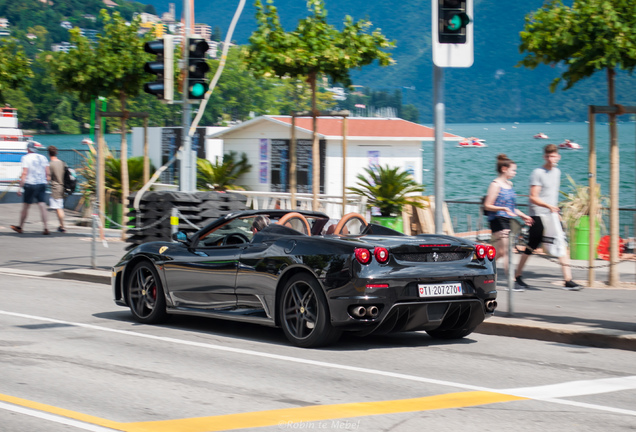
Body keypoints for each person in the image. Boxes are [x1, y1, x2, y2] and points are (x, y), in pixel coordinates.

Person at [514, 144, 582, 291]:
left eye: (554, 156)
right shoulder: (538, 173)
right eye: (548, 156)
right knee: (532, 245)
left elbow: (552, 196)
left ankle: (568, 280)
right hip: (537, 214)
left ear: (558, 157)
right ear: (544, 157)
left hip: (551, 214)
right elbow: (533, 197)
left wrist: (555, 211)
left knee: (562, 243)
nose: (551, 159)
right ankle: (517, 276)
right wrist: (549, 207)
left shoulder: (557, 172)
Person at [483, 154, 533, 290]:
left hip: (507, 218)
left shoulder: (509, 184)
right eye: (513, 170)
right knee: (507, 251)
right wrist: (503, 208)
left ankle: (482, 267)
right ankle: (511, 281)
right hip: (497, 219)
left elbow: (512, 207)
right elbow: (488, 205)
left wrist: (523, 216)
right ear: (504, 169)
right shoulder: (495, 185)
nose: (515, 173)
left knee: (500, 252)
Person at [11, 141, 51, 235]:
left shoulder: (25, 158)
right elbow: (48, 173)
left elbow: (24, 173)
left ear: (28, 149)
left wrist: (20, 187)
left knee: (26, 206)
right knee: (42, 206)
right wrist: (46, 182)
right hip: (41, 184)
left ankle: (20, 227)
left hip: (30, 184)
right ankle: (46, 228)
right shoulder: (43, 157)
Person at [47, 146, 66, 233]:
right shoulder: (62, 163)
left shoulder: (51, 164)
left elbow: (48, 177)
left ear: (48, 153)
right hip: (62, 187)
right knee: (59, 207)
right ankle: (61, 225)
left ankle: (62, 226)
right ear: (56, 152)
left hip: (55, 187)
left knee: (58, 208)